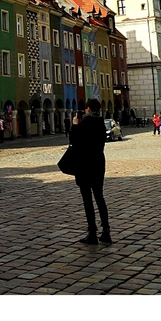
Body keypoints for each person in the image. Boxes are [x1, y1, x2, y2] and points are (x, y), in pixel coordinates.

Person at [69, 98, 111, 244]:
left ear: (87, 109)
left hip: (85, 165)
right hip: (98, 163)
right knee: (99, 197)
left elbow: (75, 141)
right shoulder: (100, 123)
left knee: (87, 200)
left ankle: (92, 232)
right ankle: (106, 231)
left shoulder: (85, 123)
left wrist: (75, 125)